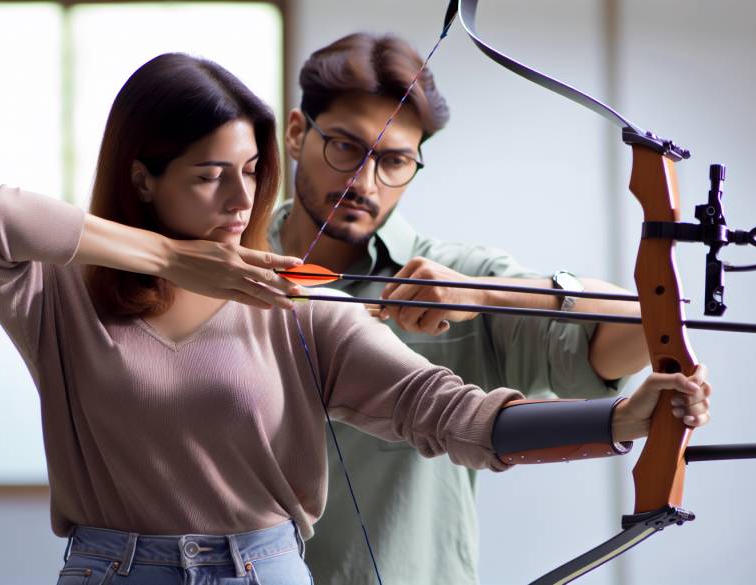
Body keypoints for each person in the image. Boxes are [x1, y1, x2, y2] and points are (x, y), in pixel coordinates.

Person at [0, 53, 711, 585]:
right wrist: (173, 261)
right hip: (110, 568)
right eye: (209, 176)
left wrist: (620, 418)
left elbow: (449, 414)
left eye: (250, 172)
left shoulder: (297, 301)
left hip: (261, 566)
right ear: (142, 180)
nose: (240, 201)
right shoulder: (58, 298)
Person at [273, 33, 654, 585]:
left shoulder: (457, 275)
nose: (364, 181)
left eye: (395, 160)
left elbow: (648, 323)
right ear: (295, 133)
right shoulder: (226, 266)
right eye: (346, 147)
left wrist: (484, 293)